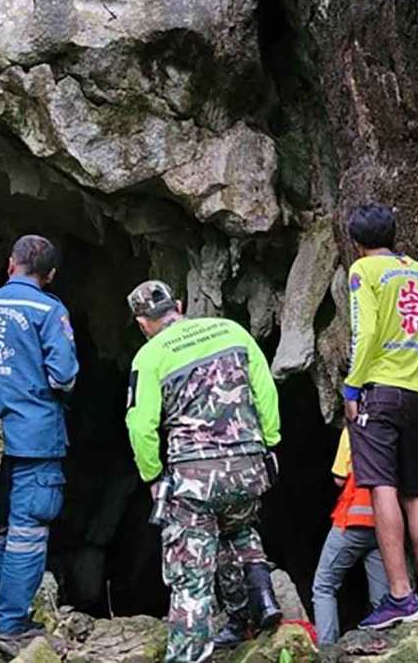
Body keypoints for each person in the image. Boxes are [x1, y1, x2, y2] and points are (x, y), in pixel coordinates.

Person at [124, 280, 282, 663]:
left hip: (195, 478)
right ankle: (254, 605)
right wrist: (270, 443)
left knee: (190, 577)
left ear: (143, 322)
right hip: (248, 467)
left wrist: (152, 476)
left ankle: (188, 656)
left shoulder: (150, 356)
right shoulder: (232, 331)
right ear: (178, 305)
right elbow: (266, 392)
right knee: (237, 530)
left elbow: (140, 426)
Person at [0, 235, 79, 642]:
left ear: (10, 265)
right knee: (29, 530)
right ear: (51, 275)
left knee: (5, 529)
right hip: (34, 439)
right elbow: (64, 375)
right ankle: (12, 624)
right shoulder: (49, 309)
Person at [342, 202, 418, 629]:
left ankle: (400, 595)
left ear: (357, 242)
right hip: (414, 391)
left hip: (378, 392)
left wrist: (352, 385)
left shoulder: (364, 271)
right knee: (414, 493)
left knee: (382, 487)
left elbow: (365, 333)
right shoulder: (417, 271)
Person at [311, 427, 389, 645]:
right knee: (381, 598)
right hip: (384, 526)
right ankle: (382, 644)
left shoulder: (354, 429)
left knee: (324, 585)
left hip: (353, 520)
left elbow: (339, 478)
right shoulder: (394, 428)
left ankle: (327, 649)